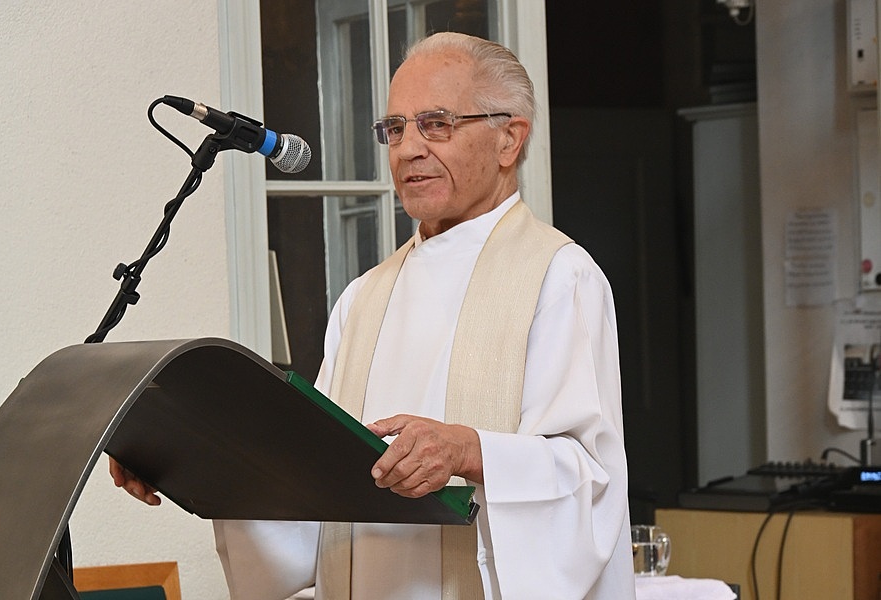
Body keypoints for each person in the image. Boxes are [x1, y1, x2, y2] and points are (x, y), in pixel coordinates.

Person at [111, 31, 636, 599]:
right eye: (395, 129)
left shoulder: (559, 276)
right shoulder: (364, 298)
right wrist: (188, 459)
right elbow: (313, 486)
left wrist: (468, 452)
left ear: (509, 139)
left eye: (436, 124)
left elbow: (590, 479)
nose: (408, 149)